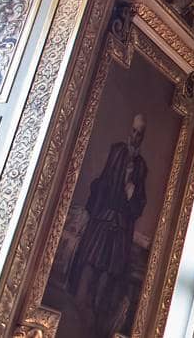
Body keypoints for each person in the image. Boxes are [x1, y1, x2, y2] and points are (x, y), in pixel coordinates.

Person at [68, 115, 150, 328]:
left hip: (122, 223)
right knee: (91, 260)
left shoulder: (142, 167)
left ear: (143, 137)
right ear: (129, 131)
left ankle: (95, 311)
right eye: (133, 132)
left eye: (139, 134)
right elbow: (102, 182)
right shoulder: (117, 151)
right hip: (104, 216)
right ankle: (80, 302)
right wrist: (90, 210)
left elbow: (141, 201)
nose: (135, 137)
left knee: (110, 269)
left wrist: (133, 195)